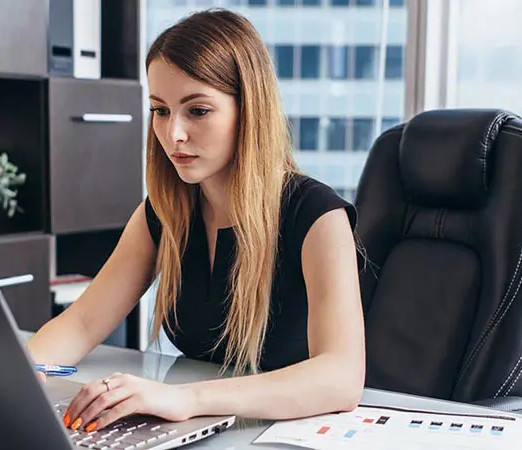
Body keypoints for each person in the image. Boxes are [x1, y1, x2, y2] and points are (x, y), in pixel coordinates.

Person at [27, 8, 366, 433]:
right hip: (202, 430)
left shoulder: (318, 216)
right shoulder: (166, 211)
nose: (174, 135)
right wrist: (23, 372)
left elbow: (341, 378)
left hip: (284, 435)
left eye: (198, 111)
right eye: (161, 111)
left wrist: (185, 399)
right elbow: (82, 322)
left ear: (250, 109)